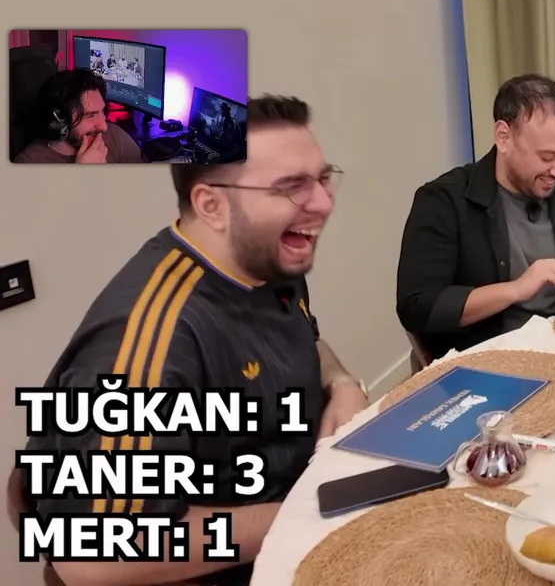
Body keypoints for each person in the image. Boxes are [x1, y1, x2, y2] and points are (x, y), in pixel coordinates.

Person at [25, 96, 367, 586]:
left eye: (323, 178)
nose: (323, 203)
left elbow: (304, 336)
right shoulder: (149, 342)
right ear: (212, 205)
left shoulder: (266, 256)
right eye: (291, 187)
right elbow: (90, 558)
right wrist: (310, 513)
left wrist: (340, 382)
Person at [397, 74, 555, 359]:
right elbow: (418, 307)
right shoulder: (443, 201)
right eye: (547, 157)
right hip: (492, 359)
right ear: (503, 137)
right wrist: (516, 289)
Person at [12, 67, 144, 163]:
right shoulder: (30, 163)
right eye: (90, 116)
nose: (104, 126)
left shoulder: (114, 136)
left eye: (102, 112)